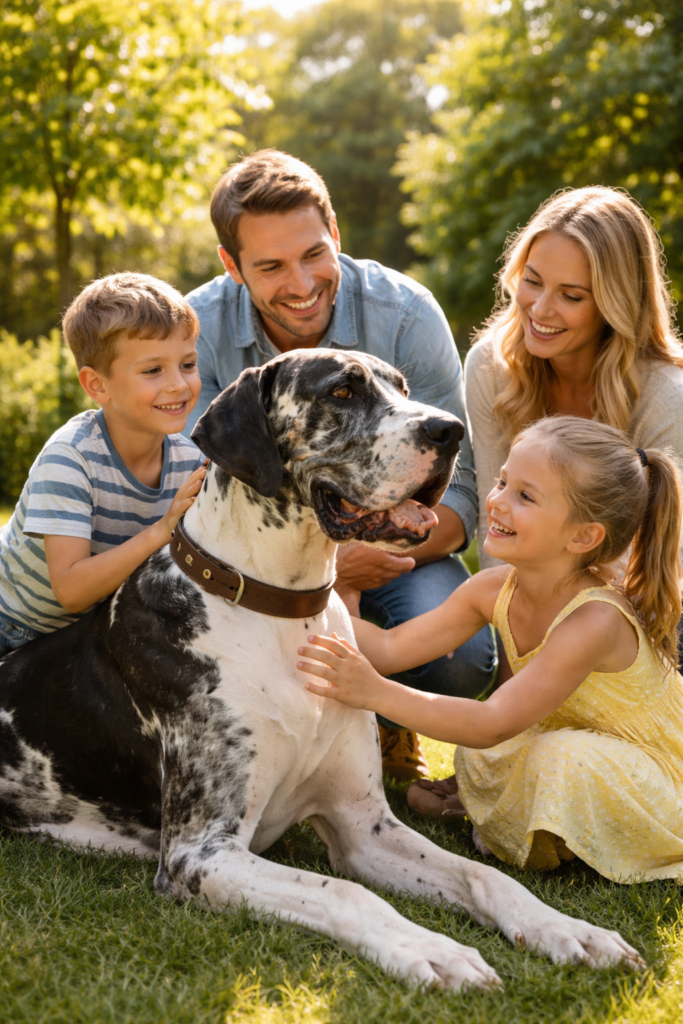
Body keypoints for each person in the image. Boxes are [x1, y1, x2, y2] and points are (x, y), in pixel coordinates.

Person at [183, 149, 495, 780]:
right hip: (251, 561)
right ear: (232, 266)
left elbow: (462, 482)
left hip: (399, 552)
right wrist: (316, 564)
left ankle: (386, 726)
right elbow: (190, 482)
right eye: (270, 266)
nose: (300, 285)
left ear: (337, 236)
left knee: (462, 659)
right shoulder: (196, 329)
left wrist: (372, 545)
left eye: (314, 254)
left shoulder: (405, 314)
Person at [297, 416, 683, 883]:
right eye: (502, 481)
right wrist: (342, 597)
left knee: (557, 756)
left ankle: (564, 840)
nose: (496, 501)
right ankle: (524, 822)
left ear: (583, 536)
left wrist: (374, 693)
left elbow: (494, 722)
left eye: (525, 496)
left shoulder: (596, 619)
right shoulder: (493, 588)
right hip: (564, 741)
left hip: (654, 773)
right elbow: (392, 647)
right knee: (478, 758)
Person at [464, 185, 683, 681]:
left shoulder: (666, 395)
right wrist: (514, 664)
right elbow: (494, 524)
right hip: (540, 598)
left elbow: (647, 563)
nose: (540, 309)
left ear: (614, 302)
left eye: (571, 296)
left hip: (647, 605)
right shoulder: (490, 367)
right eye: (533, 281)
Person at [0, 273, 207, 658]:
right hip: (12, 623)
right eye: (152, 370)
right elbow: (71, 590)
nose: (179, 384)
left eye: (188, 364)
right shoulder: (70, 457)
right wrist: (163, 530)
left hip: (83, 636)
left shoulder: (189, 461)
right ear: (97, 386)